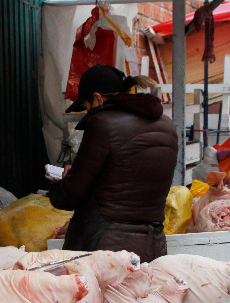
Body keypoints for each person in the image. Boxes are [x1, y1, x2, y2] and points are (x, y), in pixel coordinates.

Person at [46, 64, 178, 261]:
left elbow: (71, 195)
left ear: (97, 98)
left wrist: (61, 182)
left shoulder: (102, 123)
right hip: (153, 246)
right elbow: (124, 179)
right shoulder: (167, 124)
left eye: (86, 105)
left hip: (106, 249)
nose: (87, 111)